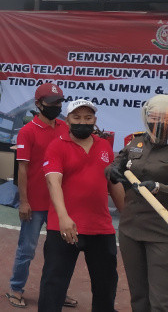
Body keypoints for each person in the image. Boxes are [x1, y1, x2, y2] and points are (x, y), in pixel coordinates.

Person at [38, 99, 125, 312]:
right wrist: (63, 217)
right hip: (65, 228)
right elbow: (53, 181)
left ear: (95, 120)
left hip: (101, 227)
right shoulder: (57, 146)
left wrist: (129, 216)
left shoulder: (104, 146)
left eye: (88, 118)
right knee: (53, 286)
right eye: (76, 117)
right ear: (67, 120)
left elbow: (113, 184)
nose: (82, 122)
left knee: (106, 287)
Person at [5, 83, 77, 309]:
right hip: (35, 203)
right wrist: (24, 201)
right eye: (51, 103)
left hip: (60, 204)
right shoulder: (27, 131)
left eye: (59, 102)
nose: (56, 106)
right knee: (27, 249)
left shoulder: (66, 128)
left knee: (61, 251)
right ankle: (16, 288)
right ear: (38, 104)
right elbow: (23, 169)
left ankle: (57, 290)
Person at [105, 95, 168, 311]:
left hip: (162, 232)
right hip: (131, 228)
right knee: (138, 296)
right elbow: (117, 163)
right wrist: (112, 171)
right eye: (154, 118)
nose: (159, 124)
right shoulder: (137, 141)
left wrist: (160, 188)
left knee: (161, 299)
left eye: (165, 119)